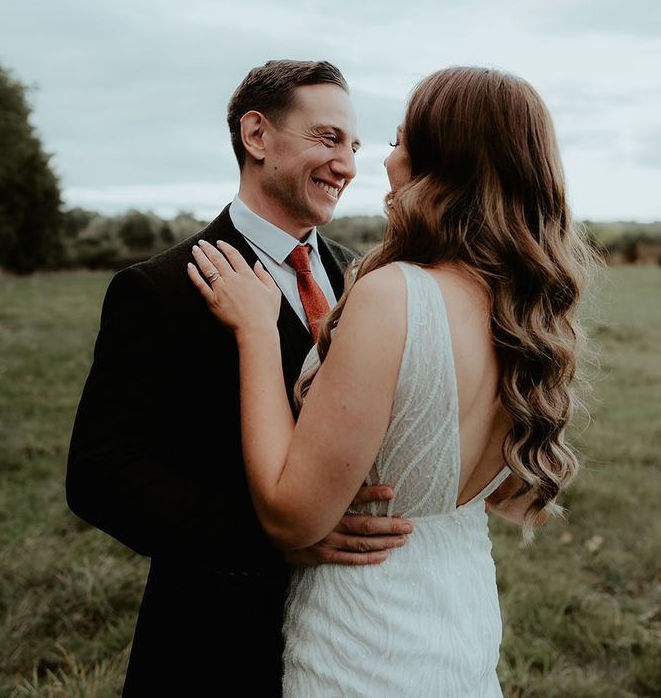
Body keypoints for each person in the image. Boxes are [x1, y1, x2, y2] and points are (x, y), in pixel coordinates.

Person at [188, 66, 595, 696]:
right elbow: (500, 492)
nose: (382, 163)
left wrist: (257, 334)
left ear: (442, 158)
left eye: (400, 143)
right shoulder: (525, 310)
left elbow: (291, 518)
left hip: (366, 636)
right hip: (460, 619)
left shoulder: (393, 294)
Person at [65, 59, 413, 697]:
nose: (348, 166)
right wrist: (275, 539)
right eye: (327, 139)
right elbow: (99, 476)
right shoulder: (158, 289)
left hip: (355, 635)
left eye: (355, 146)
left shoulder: (362, 281)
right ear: (257, 136)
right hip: (213, 639)